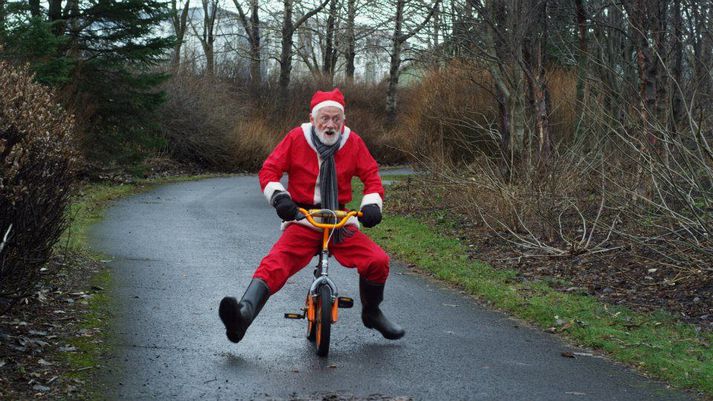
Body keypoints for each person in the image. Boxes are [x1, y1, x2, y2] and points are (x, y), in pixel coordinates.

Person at [219, 88, 405, 344]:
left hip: (339, 219)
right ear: (313, 118)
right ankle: (242, 317)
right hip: (304, 217)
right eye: (324, 118)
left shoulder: (352, 142)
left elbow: (372, 177)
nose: (330, 125)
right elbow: (269, 171)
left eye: (336, 119)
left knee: (377, 260)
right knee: (275, 263)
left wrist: (372, 204)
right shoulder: (297, 138)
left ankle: (372, 312)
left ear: (343, 120)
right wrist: (280, 198)